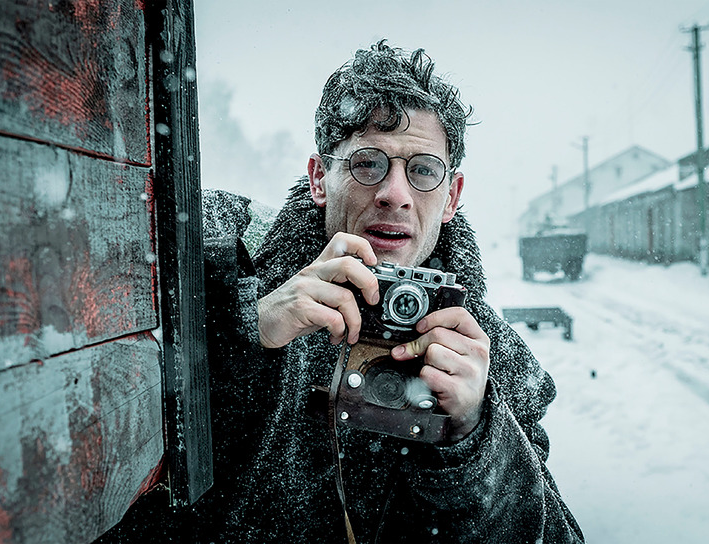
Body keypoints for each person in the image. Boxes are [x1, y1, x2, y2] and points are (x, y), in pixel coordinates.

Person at [102, 40, 584, 543]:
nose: (394, 194)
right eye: (368, 164)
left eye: (422, 170)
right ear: (319, 179)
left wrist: (472, 435)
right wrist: (242, 326)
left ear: (451, 198)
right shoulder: (220, 255)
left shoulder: (489, 354)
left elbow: (556, 535)